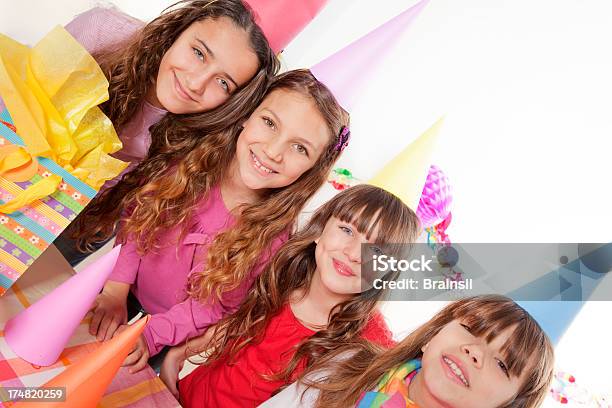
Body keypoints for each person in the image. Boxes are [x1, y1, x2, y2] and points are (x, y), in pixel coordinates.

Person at [81, 69, 351, 372]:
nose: (274, 152)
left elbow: (211, 306)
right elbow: (139, 218)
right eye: (269, 122)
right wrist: (116, 288)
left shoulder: (271, 238)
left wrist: (150, 336)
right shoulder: (191, 167)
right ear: (248, 114)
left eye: (300, 148)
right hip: (119, 288)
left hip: (166, 333)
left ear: (313, 167)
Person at [56, 0, 280, 265]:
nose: (196, 84)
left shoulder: (202, 142)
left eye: (223, 82)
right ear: (177, 30)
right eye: (198, 53)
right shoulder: (103, 31)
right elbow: (15, 100)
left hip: (87, 219)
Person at [166, 184, 421, 407]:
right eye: (347, 230)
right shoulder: (281, 272)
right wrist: (179, 354)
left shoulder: (371, 343)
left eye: (376, 251)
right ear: (321, 229)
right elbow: (234, 323)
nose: (353, 253)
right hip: (182, 397)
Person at [262, 295, 554, 408]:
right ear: (431, 337)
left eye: (503, 364)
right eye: (470, 329)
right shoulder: (348, 366)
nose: (474, 351)